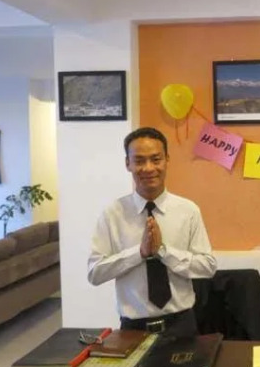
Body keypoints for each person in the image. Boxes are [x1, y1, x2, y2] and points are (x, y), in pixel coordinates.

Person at [88, 127, 216, 337]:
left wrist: (163, 251)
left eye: (156, 159)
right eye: (139, 161)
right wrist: (139, 253)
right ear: (127, 164)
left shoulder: (188, 211)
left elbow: (207, 267)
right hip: (133, 328)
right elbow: (95, 273)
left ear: (167, 160)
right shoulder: (112, 214)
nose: (148, 168)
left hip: (181, 324)